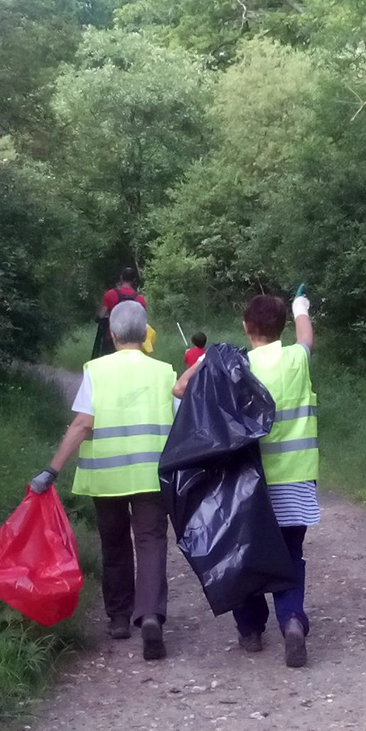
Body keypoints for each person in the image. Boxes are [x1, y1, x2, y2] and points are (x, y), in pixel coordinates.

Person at [174, 291, 318, 668]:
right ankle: (291, 620)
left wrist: (205, 362)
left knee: (243, 552)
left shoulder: (231, 365)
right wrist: (301, 307)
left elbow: (180, 389)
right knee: (291, 554)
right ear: (281, 326)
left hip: (245, 484)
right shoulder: (296, 359)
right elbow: (305, 336)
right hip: (296, 479)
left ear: (245, 327)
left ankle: (251, 629)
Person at [32, 300, 176, 660]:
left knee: (114, 544)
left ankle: (119, 618)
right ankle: (151, 615)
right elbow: (181, 425)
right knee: (152, 542)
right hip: (151, 476)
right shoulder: (165, 372)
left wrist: (52, 469)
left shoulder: (95, 370)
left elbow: (82, 424)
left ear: (111, 335)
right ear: (145, 335)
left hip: (106, 476)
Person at [93, 267, 146, 358]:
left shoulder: (110, 294)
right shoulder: (140, 299)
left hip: (113, 338)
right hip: (133, 341)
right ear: (134, 280)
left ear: (121, 278)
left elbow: (101, 315)